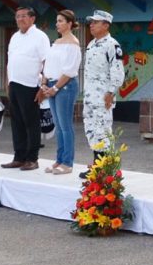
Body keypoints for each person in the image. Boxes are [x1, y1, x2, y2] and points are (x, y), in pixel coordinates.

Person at [2, 7, 50, 171]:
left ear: (32, 18)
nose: (20, 19)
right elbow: (11, 60)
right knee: (16, 123)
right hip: (14, 83)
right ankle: (19, 157)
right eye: (17, 16)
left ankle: (32, 158)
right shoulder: (15, 37)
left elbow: (46, 62)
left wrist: (43, 86)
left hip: (30, 85)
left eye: (23, 16)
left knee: (31, 123)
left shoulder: (40, 37)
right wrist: (8, 82)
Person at [82, 10, 125, 178]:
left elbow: (117, 71)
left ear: (106, 25)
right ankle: (96, 166)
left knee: (103, 131)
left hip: (103, 97)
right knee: (91, 131)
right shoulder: (91, 44)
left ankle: (105, 169)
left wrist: (111, 92)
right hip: (90, 97)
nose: (91, 25)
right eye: (91, 22)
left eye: (96, 22)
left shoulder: (112, 45)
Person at [40, 10, 82, 175]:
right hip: (51, 84)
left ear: (69, 23)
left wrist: (55, 87)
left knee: (65, 125)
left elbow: (70, 70)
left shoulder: (73, 43)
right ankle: (59, 159)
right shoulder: (56, 42)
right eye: (56, 21)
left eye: (61, 21)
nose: (57, 24)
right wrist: (44, 83)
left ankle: (68, 162)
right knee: (58, 125)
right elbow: (47, 63)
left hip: (65, 86)